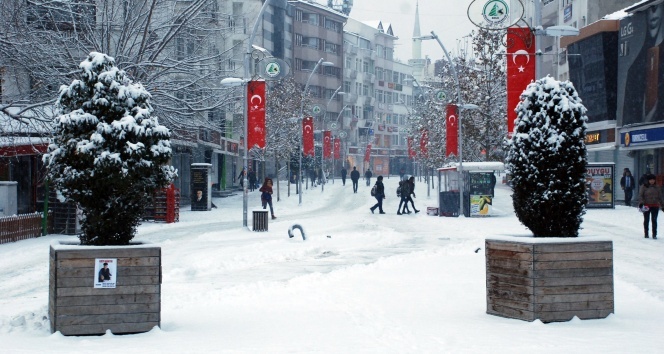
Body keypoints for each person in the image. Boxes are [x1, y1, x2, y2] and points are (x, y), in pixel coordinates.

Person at [639, 173, 663, 239]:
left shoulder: (657, 187)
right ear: (648, 180)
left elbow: (660, 197)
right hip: (646, 206)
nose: (652, 181)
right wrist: (641, 203)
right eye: (650, 180)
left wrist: (662, 205)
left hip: (655, 205)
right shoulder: (644, 187)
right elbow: (641, 196)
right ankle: (646, 233)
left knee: (654, 220)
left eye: (653, 180)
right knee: (646, 220)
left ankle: (654, 234)